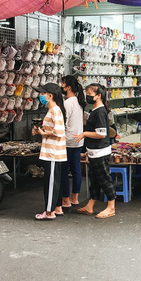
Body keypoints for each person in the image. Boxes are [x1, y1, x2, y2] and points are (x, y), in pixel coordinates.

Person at [74, 84, 116, 219]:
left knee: (104, 179)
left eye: (89, 93)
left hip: (100, 152)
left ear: (98, 96)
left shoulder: (100, 112)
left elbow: (102, 133)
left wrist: (85, 133)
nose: (87, 95)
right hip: (94, 151)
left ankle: (111, 207)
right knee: (95, 180)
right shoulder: (95, 110)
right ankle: (90, 205)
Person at [32, 83, 67, 220]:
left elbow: (59, 132)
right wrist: (41, 132)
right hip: (52, 151)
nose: (41, 96)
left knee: (51, 182)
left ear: (50, 96)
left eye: (42, 93)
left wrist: (43, 133)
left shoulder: (55, 110)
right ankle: (57, 208)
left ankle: (49, 212)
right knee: (54, 181)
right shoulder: (52, 110)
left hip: (53, 152)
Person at [59, 75, 85, 209]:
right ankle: (75, 197)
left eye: (62, 84)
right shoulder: (79, 101)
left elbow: (64, 122)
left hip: (68, 140)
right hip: (78, 140)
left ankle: (65, 199)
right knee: (76, 170)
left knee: (64, 171)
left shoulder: (67, 103)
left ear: (68, 87)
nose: (61, 87)